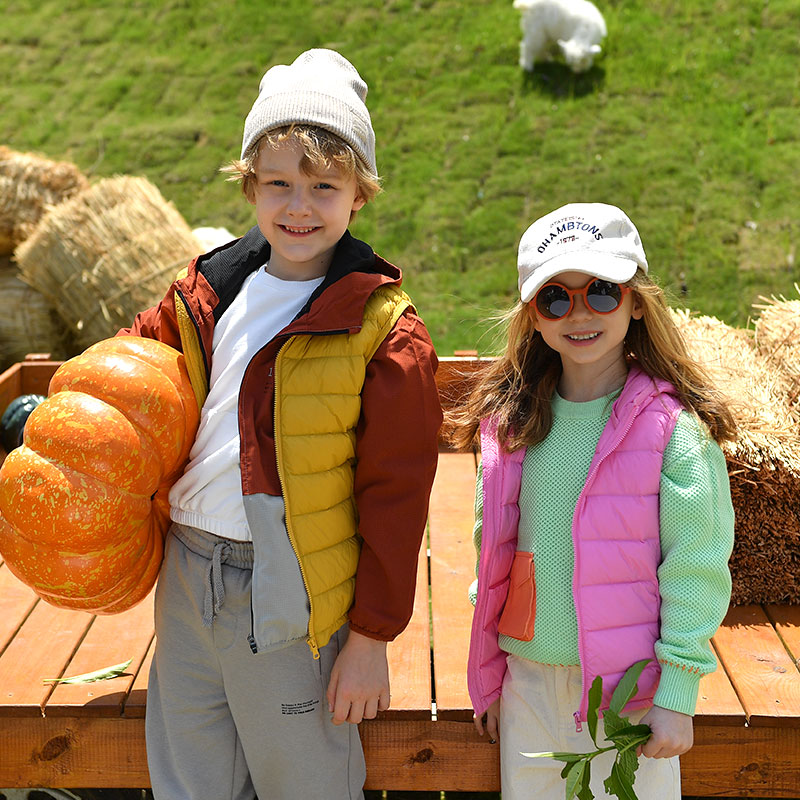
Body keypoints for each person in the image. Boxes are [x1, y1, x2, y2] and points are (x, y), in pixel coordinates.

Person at [122, 49, 442, 800]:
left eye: (323, 186)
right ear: (249, 185)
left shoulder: (381, 327)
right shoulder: (205, 291)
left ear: (359, 194)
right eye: (278, 184)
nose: (299, 206)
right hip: (187, 574)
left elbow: (398, 500)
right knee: (189, 782)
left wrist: (371, 639)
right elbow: (126, 383)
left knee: (305, 785)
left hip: (289, 598)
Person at [448, 202, 735, 799]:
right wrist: (494, 677)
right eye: (556, 298)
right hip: (529, 682)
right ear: (533, 317)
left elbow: (695, 568)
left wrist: (677, 691)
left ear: (636, 302)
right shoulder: (514, 424)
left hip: (632, 693)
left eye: (602, 292)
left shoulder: (671, 431)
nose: (579, 313)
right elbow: (493, 558)